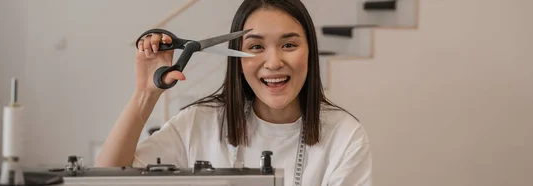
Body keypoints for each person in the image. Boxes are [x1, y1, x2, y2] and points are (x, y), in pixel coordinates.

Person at [96, 0, 372, 185]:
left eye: (288, 45)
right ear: (237, 61)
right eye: (255, 47)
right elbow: (106, 178)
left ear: (310, 53)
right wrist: (146, 94)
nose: (274, 62)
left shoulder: (345, 136)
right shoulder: (198, 123)